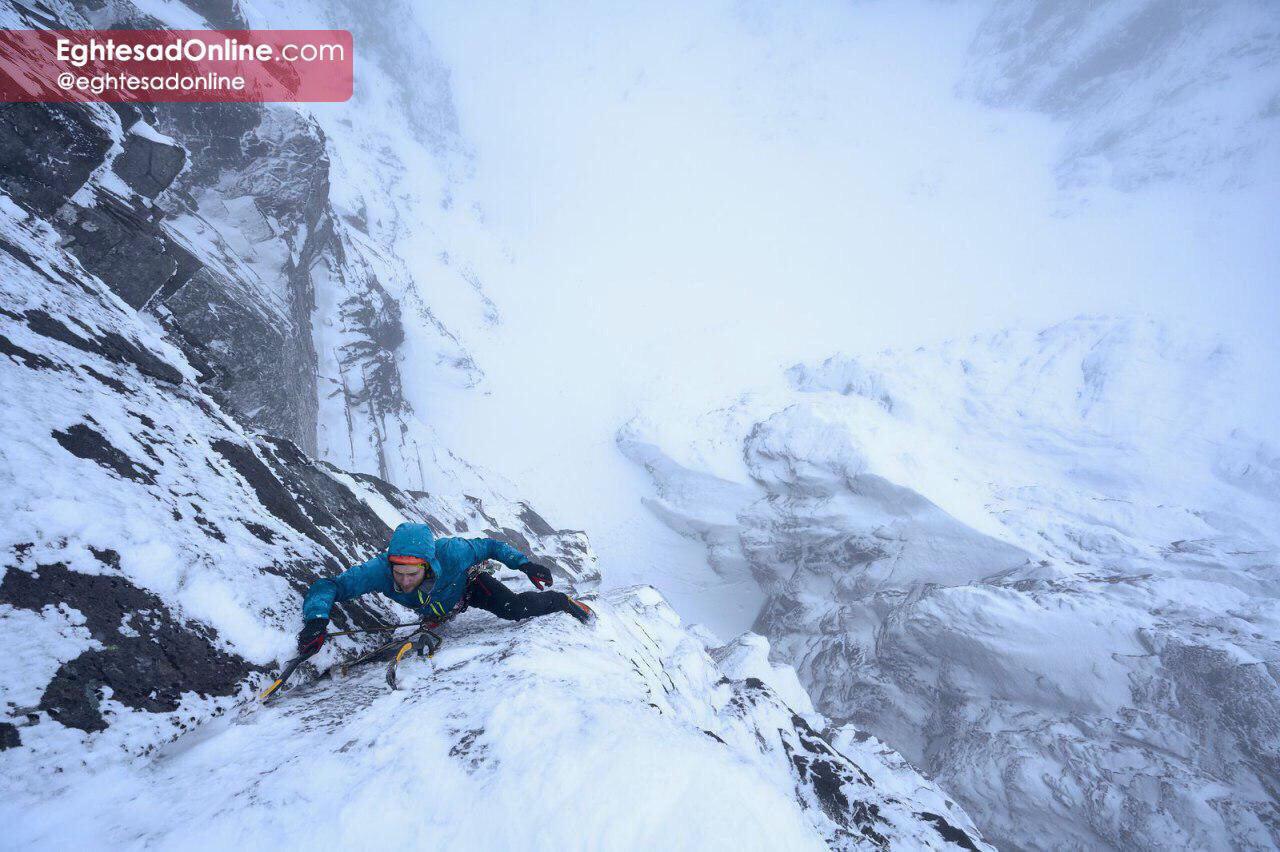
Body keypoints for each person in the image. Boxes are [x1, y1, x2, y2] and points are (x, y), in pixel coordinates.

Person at [296, 522, 594, 656]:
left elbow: (490, 545)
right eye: (398, 574)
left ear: (428, 564)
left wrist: (524, 565)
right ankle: (437, 614)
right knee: (433, 609)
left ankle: (561, 601)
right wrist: (317, 620)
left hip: (469, 586)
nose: (403, 581)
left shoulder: (452, 553)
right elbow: (330, 586)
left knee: (514, 609)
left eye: (411, 574)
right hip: (437, 606)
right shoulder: (380, 571)